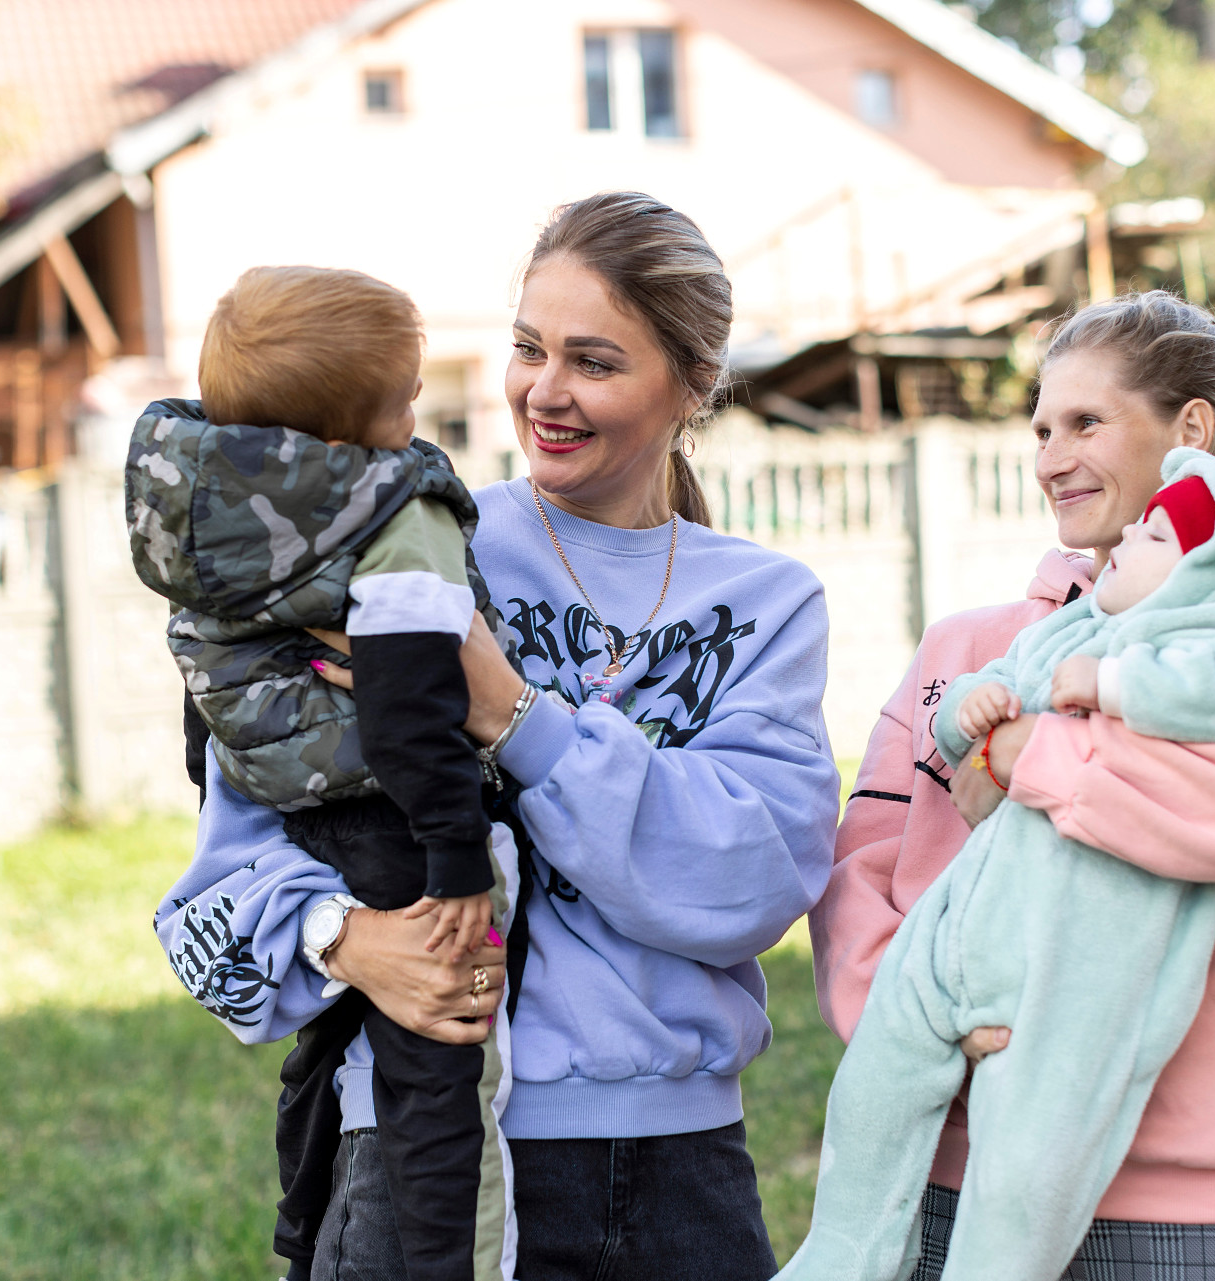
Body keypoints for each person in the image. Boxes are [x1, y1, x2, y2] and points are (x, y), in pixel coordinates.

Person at [154, 192, 840, 1281]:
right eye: (529, 349)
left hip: (679, 1180)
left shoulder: (764, 601)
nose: (545, 392)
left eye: (596, 362)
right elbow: (207, 908)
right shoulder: (391, 554)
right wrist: (352, 944)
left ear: (692, 386)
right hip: (421, 1162)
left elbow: (751, 884)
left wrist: (512, 714)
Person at [811, 291, 1215, 1281]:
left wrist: (1021, 752)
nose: (1050, 459)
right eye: (1040, 428)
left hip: (1178, 1212)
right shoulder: (970, 647)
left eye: (1085, 422)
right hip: (934, 1181)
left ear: (1190, 433)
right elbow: (862, 859)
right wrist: (927, 1025)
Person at [134, 266, 523, 1281]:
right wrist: (454, 860)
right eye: (403, 397)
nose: (416, 411)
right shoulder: (400, 509)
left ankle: (303, 1236)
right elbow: (404, 697)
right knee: (445, 1056)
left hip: (293, 801)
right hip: (399, 816)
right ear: (351, 434)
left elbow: (202, 683)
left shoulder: (206, 511)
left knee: (338, 1040)